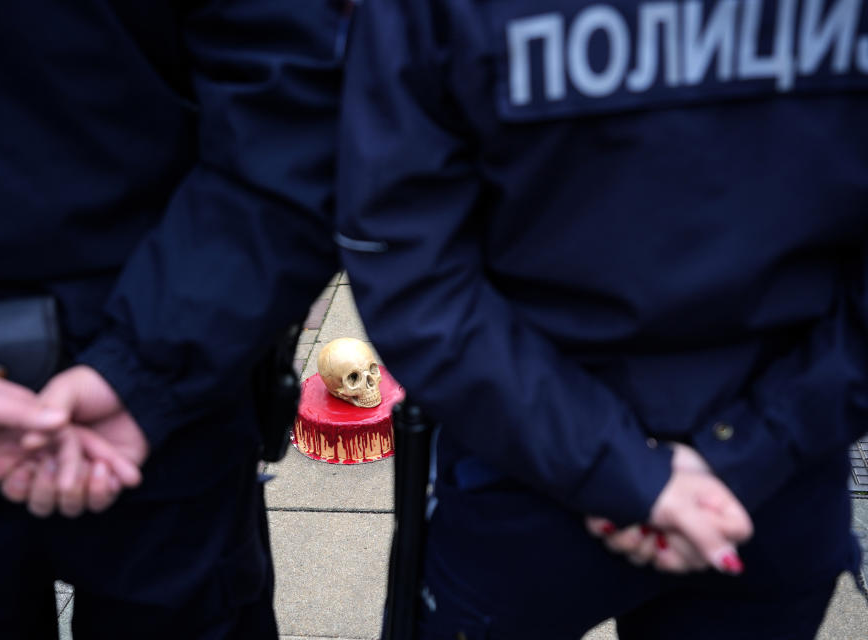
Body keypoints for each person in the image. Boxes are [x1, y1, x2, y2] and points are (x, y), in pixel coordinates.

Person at [336, 0, 868, 638]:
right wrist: (755, 447)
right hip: (765, 488)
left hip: (526, 461)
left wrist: (620, 469)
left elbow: (406, 259)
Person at [0, 1, 343, 637]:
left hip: (170, 394)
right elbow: (297, 115)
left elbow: (294, 109)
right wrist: (149, 365)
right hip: (175, 358)